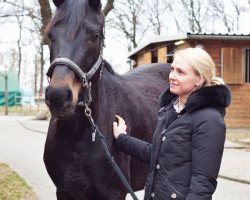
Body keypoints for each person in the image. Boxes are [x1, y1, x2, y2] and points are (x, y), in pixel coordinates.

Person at [113, 47, 231, 200]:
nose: (172, 76)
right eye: (172, 70)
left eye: (180, 72)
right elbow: (156, 154)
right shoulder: (169, 110)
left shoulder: (209, 119)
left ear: (199, 79)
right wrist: (122, 138)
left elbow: (203, 183)